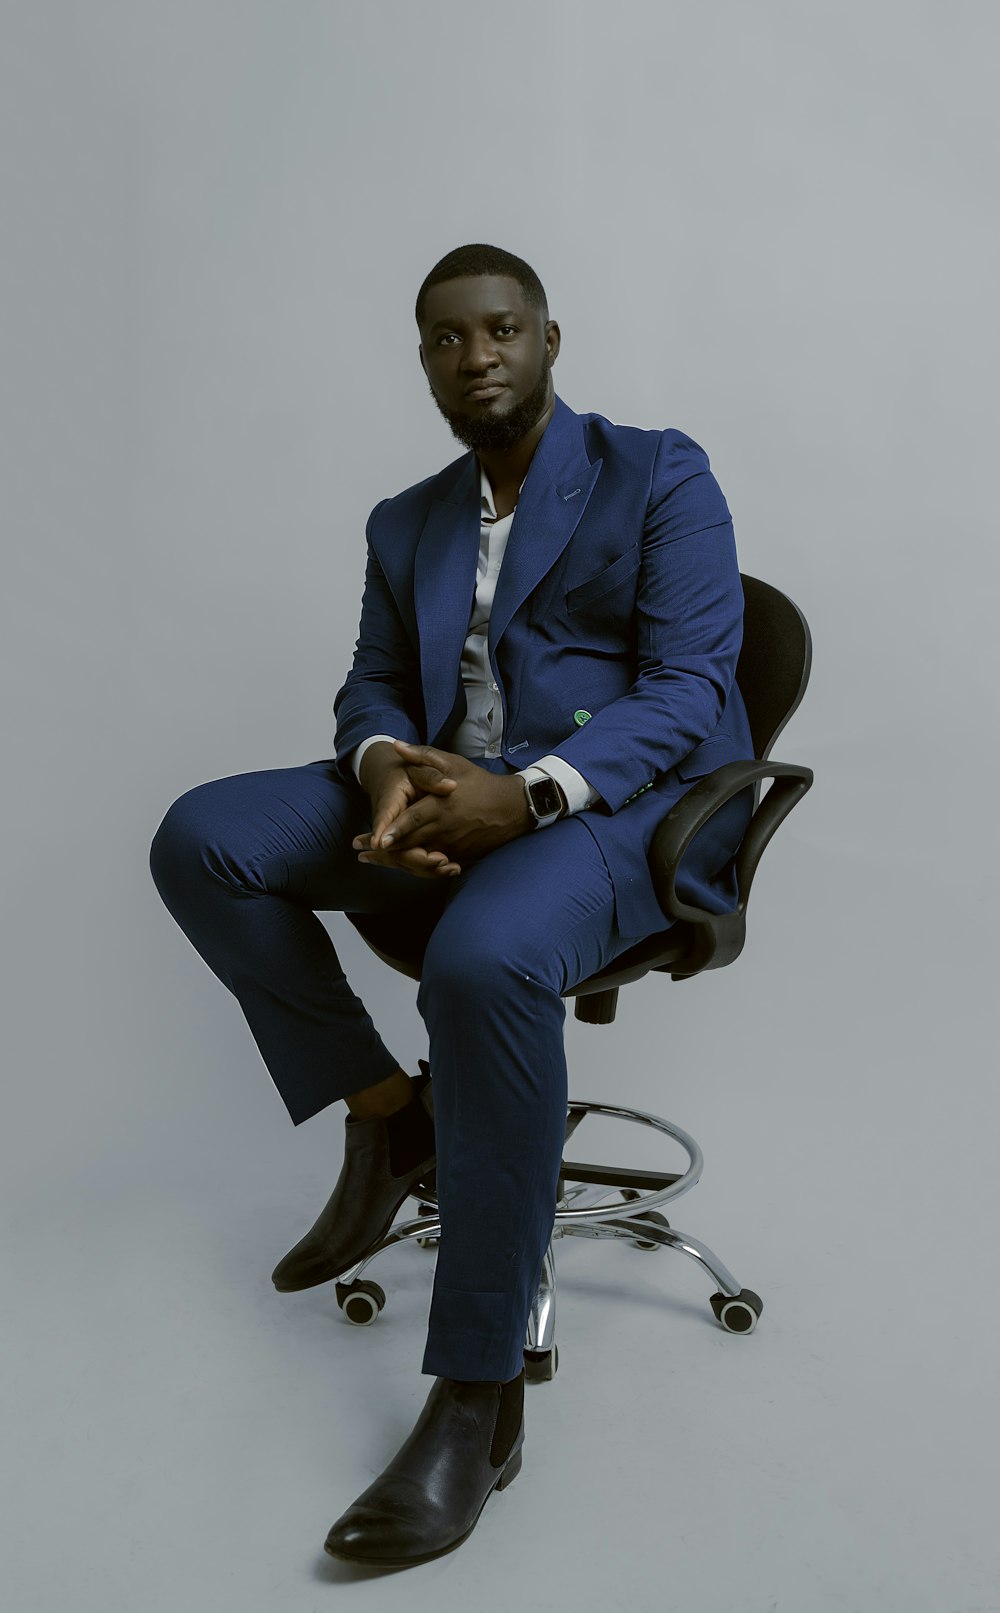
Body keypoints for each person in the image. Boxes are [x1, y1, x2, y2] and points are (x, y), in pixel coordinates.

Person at [149, 242, 755, 1567]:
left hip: (614, 811)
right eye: (443, 339)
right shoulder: (407, 520)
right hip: (439, 797)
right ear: (423, 359)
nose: (473, 356)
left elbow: (691, 687)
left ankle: (480, 1396)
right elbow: (371, 687)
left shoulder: (660, 473)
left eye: (499, 330)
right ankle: (393, 1114)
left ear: (548, 337)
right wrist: (382, 773)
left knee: (479, 964)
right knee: (203, 839)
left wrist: (525, 792)